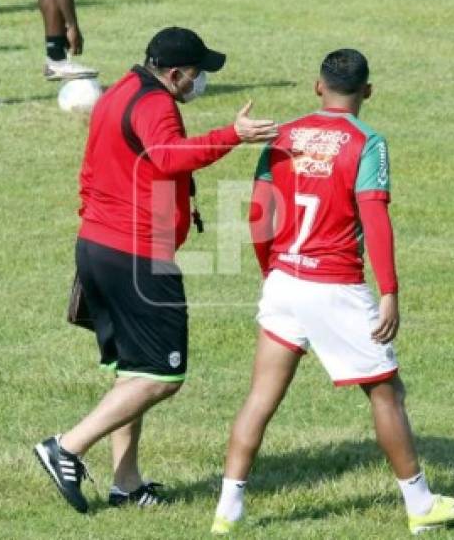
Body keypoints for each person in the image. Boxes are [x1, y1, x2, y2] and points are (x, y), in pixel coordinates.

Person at [210, 50, 454, 535]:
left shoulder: (285, 136)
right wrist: (391, 291)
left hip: (283, 283)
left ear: (318, 86)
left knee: (260, 399)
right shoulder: (367, 143)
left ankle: (227, 513)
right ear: (368, 92)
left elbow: (257, 213)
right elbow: (375, 219)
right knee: (386, 392)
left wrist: (269, 271)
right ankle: (420, 505)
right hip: (333, 286)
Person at [34, 27, 278, 513]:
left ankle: (126, 483)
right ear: (173, 74)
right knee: (163, 378)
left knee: (133, 370)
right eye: (196, 73)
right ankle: (67, 447)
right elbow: (167, 157)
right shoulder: (155, 105)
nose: (200, 81)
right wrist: (234, 135)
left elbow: (92, 170)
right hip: (137, 257)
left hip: (99, 245)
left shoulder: (119, 92)